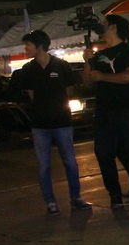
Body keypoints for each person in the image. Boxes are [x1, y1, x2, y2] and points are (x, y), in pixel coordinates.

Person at [12, 30, 93, 215]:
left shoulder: (61, 65)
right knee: (43, 165)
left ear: (40, 45)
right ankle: (50, 202)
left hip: (62, 121)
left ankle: (76, 197)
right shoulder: (28, 69)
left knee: (70, 162)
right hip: (40, 124)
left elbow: (69, 91)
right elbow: (31, 95)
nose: (26, 48)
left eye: (28, 45)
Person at [82, 14, 129, 209]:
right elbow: (88, 83)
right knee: (103, 153)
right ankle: (114, 194)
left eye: (105, 23)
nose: (100, 26)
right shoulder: (98, 55)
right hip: (104, 112)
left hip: (127, 110)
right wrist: (87, 62)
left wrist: (103, 77)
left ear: (114, 28)